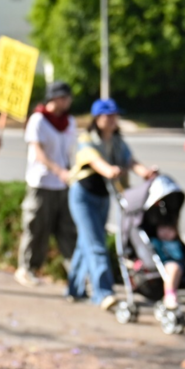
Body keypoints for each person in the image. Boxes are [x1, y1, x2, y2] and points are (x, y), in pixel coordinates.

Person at [65, 98, 157, 309]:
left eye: (115, 115)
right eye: (109, 116)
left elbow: (130, 160)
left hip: (103, 196)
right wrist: (109, 170)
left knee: (85, 242)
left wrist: (145, 173)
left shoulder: (117, 141)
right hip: (82, 197)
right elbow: (93, 160)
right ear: (97, 118)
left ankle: (73, 289)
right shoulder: (86, 138)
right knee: (96, 244)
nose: (113, 120)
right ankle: (103, 293)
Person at [15, 81, 78, 287]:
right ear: (54, 98)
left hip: (64, 185)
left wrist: (73, 171)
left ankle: (75, 272)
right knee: (37, 227)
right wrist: (58, 170)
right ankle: (26, 268)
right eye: (64, 97)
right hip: (42, 182)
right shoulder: (38, 120)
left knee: (67, 230)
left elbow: (71, 152)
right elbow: (38, 151)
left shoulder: (69, 122)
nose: (67, 101)